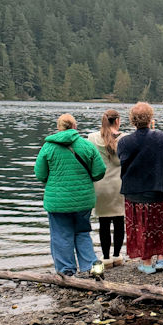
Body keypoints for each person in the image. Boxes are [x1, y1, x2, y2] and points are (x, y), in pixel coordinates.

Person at [34, 114, 106, 276]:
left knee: (61, 235)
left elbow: (40, 174)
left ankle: (66, 271)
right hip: (83, 199)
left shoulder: (48, 147)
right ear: (75, 126)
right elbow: (100, 171)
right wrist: (87, 179)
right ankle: (91, 266)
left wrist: (52, 181)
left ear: (58, 127)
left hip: (57, 201)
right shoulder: (86, 145)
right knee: (82, 232)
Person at [118, 102, 163, 274]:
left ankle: (146, 263)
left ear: (132, 120)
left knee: (142, 227)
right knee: (161, 225)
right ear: (150, 118)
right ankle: (161, 259)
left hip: (136, 193)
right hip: (160, 190)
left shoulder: (125, 142)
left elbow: (122, 162)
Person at [88, 109, 126, 269]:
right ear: (117, 121)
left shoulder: (92, 138)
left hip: (100, 185)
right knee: (119, 221)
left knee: (103, 222)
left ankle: (105, 257)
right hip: (119, 185)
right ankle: (117, 255)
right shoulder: (124, 139)